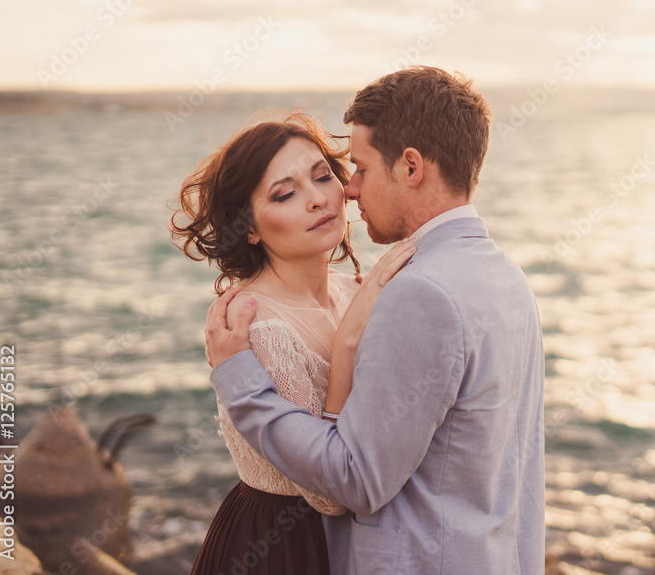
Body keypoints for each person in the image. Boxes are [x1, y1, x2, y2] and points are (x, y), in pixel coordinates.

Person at [206, 66, 546, 574]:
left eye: (348, 170)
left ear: (411, 167)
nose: (348, 191)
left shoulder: (416, 295)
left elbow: (353, 480)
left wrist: (240, 381)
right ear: (248, 225)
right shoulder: (505, 277)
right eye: (285, 192)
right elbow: (521, 467)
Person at [171, 112, 415, 574]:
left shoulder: (353, 293)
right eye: (285, 193)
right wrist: (347, 344)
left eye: (322, 176)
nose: (317, 199)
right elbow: (327, 495)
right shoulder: (256, 327)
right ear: (249, 227)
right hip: (281, 547)